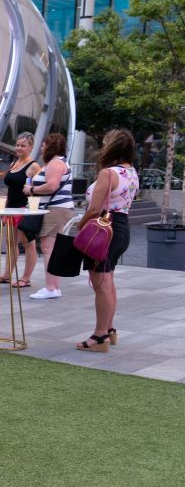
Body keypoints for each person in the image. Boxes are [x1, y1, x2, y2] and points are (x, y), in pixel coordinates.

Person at [75, 129, 138, 352]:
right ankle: (109, 330)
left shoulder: (108, 173)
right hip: (121, 229)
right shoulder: (131, 172)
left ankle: (100, 336)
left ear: (111, 147)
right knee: (108, 281)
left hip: (103, 230)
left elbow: (94, 209)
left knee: (101, 283)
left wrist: (79, 225)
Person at [23, 133, 74, 300]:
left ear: (50, 146)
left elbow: (52, 186)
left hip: (55, 209)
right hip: (58, 209)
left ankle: (50, 287)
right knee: (52, 249)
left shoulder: (55, 163)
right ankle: (54, 286)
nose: (42, 147)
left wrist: (31, 190)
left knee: (48, 248)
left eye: (44, 144)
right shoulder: (60, 162)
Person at [0, 132, 41, 287]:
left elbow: (38, 189)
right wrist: (3, 207)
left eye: (23, 146)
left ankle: (26, 278)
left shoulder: (34, 166)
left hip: (24, 209)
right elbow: (11, 187)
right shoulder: (14, 163)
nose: (19, 148)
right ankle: (6, 275)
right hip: (10, 208)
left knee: (28, 243)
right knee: (10, 242)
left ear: (31, 147)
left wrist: (33, 209)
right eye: (17, 145)